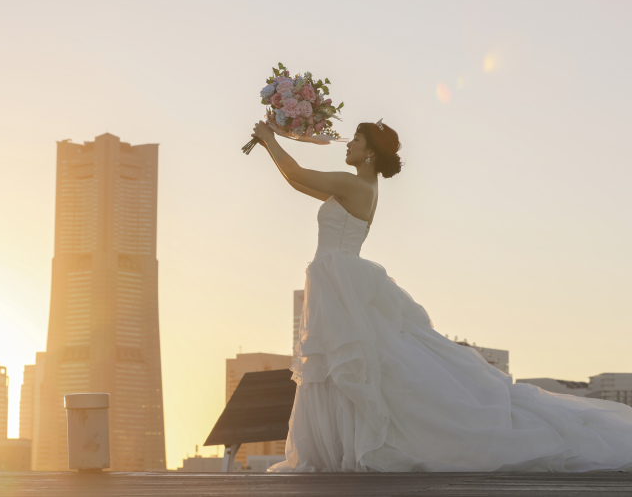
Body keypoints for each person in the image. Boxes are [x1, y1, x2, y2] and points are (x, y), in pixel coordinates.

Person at [250, 119, 632, 473]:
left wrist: (270, 138)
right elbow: (298, 182)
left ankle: (358, 445)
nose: (347, 144)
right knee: (347, 362)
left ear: (369, 153)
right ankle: (344, 446)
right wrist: (272, 145)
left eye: (356, 140)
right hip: (338, 277)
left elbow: (298, 174)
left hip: (339, 278)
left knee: (348, 360)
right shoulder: (359, 186)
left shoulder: (353, 185)